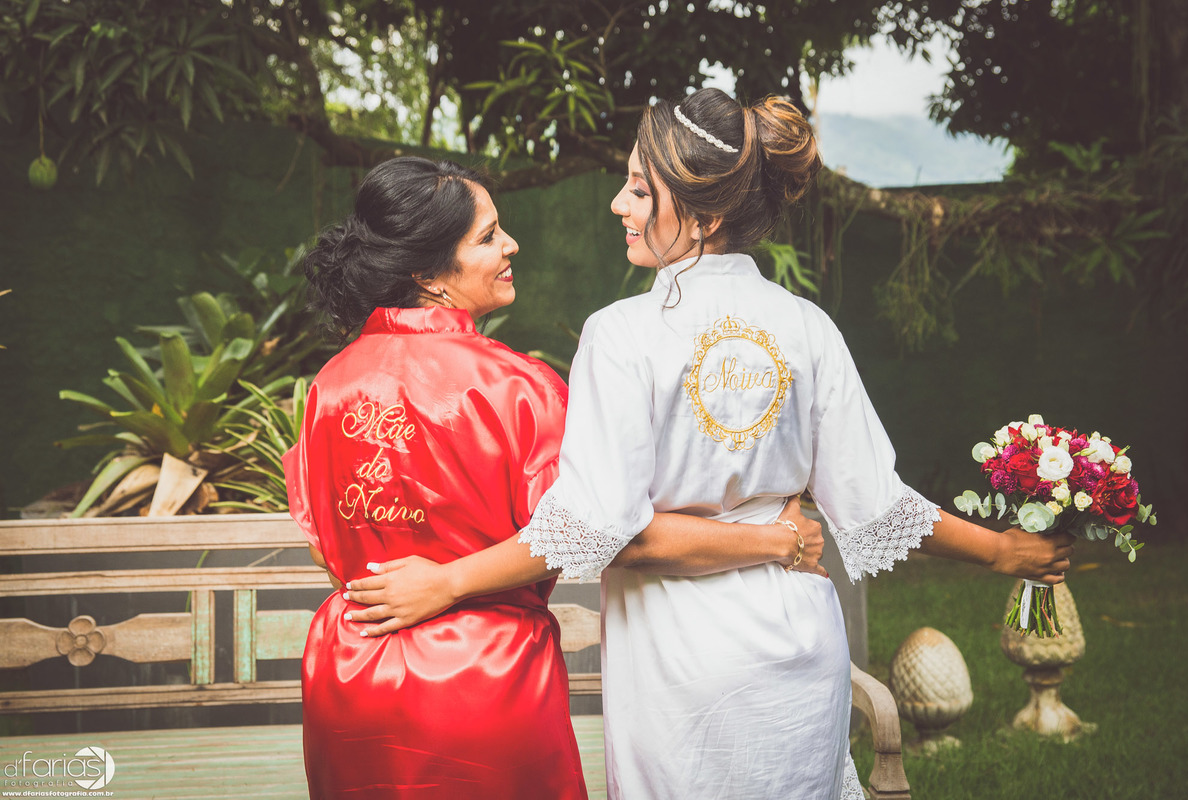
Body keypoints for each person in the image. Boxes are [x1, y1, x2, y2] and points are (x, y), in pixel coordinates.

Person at [343, 93, 1073, 799]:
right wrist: (1003, 552)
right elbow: (879, 507)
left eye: (639, 190)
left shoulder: (619, 334)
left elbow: (604, 527)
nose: (618, 204)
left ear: (705, 217)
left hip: (678, 667)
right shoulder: (808, 327)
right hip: (799, 651)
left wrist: (447, 582)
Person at [283, 155, 823, 799]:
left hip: (349, 675)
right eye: (488, 236)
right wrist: (449, 583)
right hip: (482, 679)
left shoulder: (330, 385)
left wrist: (397, 579)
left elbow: (323, 543)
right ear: (427, 273)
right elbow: (584, 531)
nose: (511, 245)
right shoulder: (519, 387)